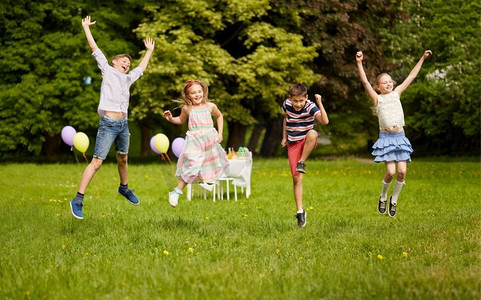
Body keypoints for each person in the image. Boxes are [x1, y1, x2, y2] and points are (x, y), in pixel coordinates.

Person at [70, 16, 155, 219]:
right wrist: (86, 28)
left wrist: (149, 51)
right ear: (113, 62)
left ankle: (124, 188)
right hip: (108, 125)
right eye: (123, 61)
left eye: (128, 62)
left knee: (123, 158)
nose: (127, 63)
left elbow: (141, 69)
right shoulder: (107, 71)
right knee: (97, 163)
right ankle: (78, 199)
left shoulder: (128, 79)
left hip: (123, 124)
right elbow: (95, 49)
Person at [356, 50, 432, 217]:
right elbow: (364, 82)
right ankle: (383, 196)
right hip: (386, 139)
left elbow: (411, 76)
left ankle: (394, 199)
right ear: (378, 87)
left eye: (390, 81)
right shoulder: (377, 99)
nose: (388, 84)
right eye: (384, 83)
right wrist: (360, 63)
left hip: (400, 138)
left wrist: (422, 58)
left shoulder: (397, 93)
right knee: (390, 172)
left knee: (402, 172)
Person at [163, 80, 228, 208]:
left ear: (203, 92)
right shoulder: (187, 108)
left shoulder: (210, 106)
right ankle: (176, 192)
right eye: (193, 93)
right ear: (188, 96)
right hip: (195, 142)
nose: (197, 95)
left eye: (199, 91)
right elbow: (181, 120)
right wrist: (170, 118)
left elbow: (219, 116)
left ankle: (206, 181)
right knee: (192, 165)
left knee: (212, 165)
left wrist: (220, 134)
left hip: (209, 140)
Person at [281, 83, 329, 227]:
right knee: (296, 178)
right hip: (293, 143)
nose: (298, 104)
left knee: (313, 133)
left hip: (307, 141)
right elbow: (286, 119)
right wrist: (284, 137)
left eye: (301, 100)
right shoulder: (286, 105)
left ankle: (302, 161)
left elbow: (325, 121)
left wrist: (320, 103)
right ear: (290, 98)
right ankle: (300, 211)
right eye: (295, 100)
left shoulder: (310, 106)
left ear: (306, 98)